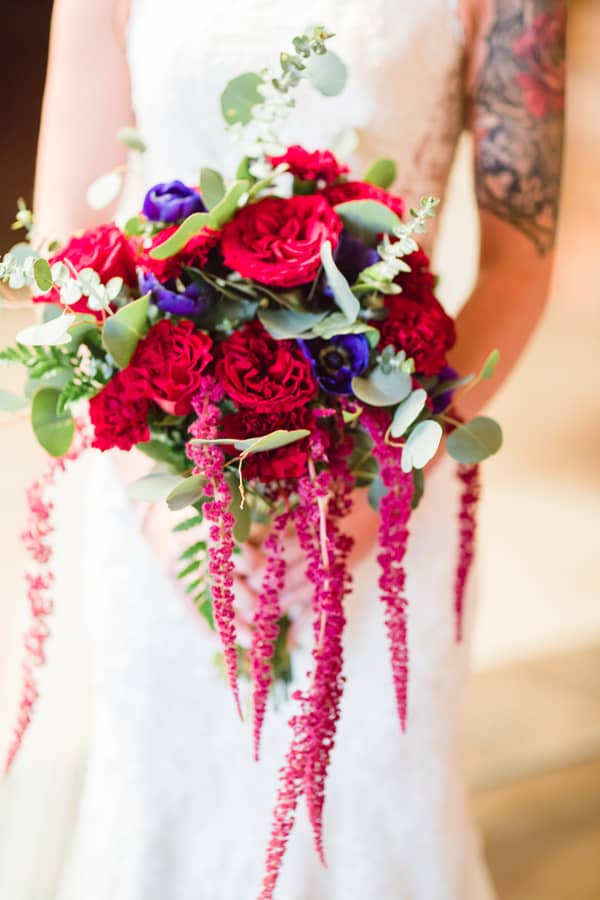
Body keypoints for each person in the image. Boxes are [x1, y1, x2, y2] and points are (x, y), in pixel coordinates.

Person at [2, 1, 566, 898]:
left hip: (394, 493)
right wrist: (166, 516)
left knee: (374, 826)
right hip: (166, 493)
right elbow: (67, 254)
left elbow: (521, 262)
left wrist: (385, 470)